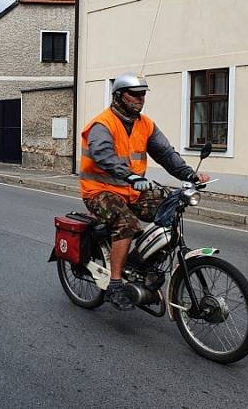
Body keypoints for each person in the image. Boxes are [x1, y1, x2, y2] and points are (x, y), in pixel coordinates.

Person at [80, 72, 209, 311]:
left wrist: (189, 175)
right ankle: (115, 285)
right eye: (134, 94)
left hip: (132, 191)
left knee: (171, 207)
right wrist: (130, 176)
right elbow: (103, 155)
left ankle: (142, 263)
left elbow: (166, 154)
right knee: (127, 223)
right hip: (100, 191)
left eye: (143, 95)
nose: (140, 99)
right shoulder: (102, 124)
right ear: (119, 96)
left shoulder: (145, 124)